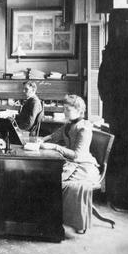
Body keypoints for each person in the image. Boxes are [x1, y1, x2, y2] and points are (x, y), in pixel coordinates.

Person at [40, 94, 99, 234]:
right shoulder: (68, 125)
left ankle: (72, 221)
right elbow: (54, 136)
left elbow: (77, 155)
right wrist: (42, 140)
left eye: (68, 109)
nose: (64, 112)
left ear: (79, 111)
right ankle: (52, 217)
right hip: (71, 164)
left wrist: (55, 147)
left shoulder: (84, 128)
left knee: (63, 184)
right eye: (64, 108)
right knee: (48, 177)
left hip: (84, 166)